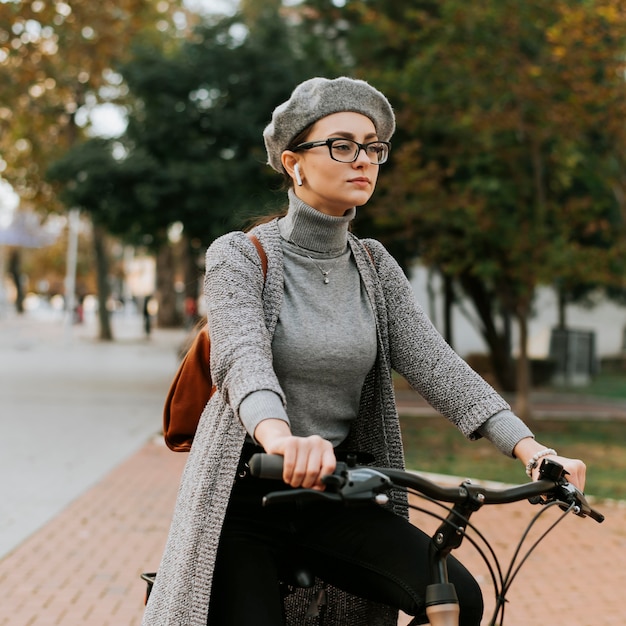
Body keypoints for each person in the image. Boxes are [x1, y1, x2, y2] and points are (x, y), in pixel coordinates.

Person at [142, 77, 586, 626]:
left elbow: (438, 365)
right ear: (293, 162)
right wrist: (281, 439)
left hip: (334, 497)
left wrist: (532, 450)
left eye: (374, 147)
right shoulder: (240, 256)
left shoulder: (374, 266)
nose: (364, 160)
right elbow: (242, 360)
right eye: (342, 145)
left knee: (455, 597)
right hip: (243, 500)